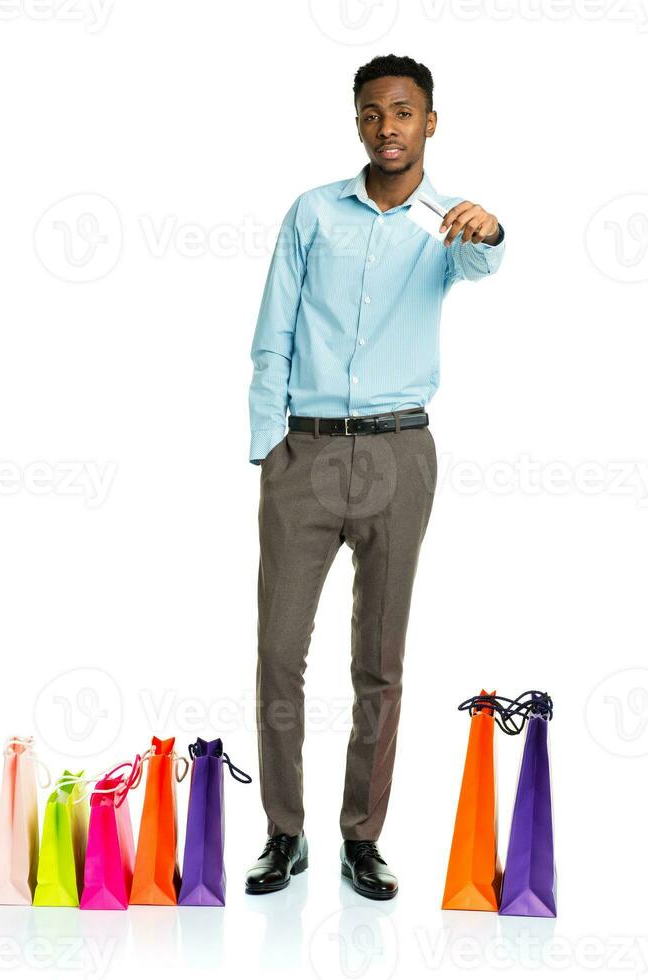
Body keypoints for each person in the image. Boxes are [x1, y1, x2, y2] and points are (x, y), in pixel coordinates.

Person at [245, 53, 505, 901]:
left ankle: (363, 837)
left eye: (402, 113)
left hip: (399, 453)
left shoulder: (446, 221)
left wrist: (490, 231)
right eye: (370, 113)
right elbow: (272, 328)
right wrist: (268, 445)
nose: (385, 128)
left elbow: (479, 264)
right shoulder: (313, 211)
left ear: (430, 121)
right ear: (355, 120)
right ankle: (286, 832)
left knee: (379, 660)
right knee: (280, 652)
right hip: (305, 452)